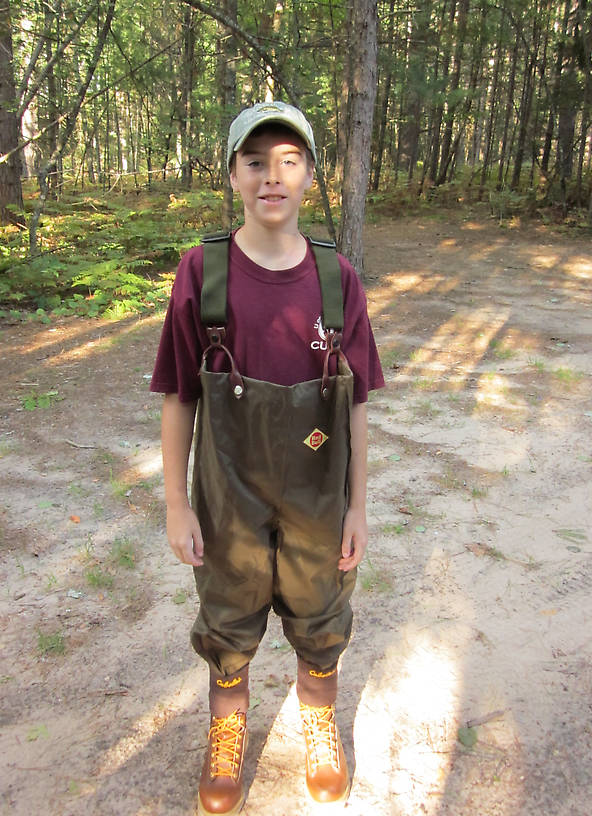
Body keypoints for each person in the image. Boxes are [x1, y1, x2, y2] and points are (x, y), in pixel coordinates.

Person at [150, 101, 384, 816]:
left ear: (312, 174)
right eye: (255, 162)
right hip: (228, 493)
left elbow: (358, 404)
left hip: (318, 494)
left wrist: (358, 507)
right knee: (227, 620)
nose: (271, 177)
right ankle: (227, 737)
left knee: (320, 620)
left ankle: (319, 726)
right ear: (232, 175)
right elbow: (179, 397)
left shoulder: (337, 278)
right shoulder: (202, 273)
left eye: (289, 161)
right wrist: (177, 503)